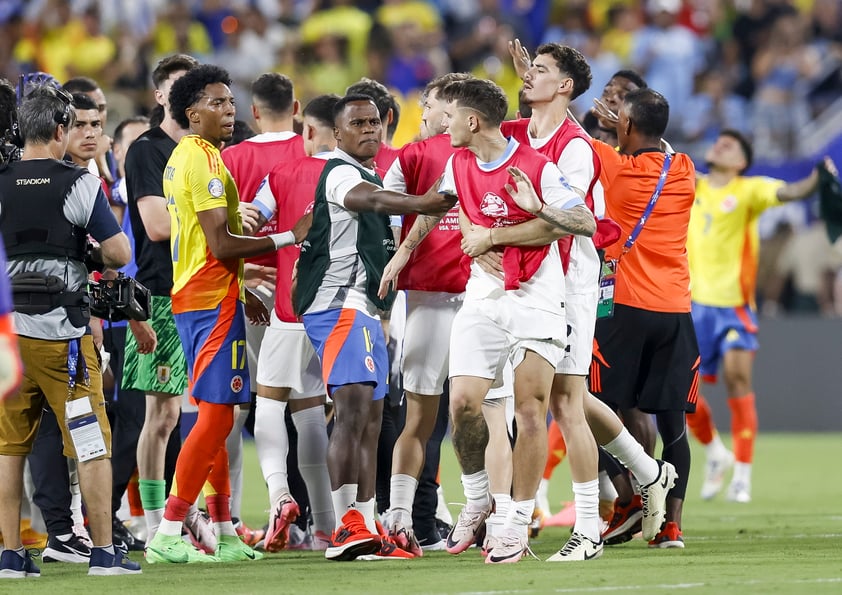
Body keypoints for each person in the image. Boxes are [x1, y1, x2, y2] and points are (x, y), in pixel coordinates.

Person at [144, 64, 311, 564]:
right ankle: (169, 532)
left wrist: (243, 290)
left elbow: (202, 243)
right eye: (217, 103)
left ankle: (224, 528)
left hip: (204, 295)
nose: (229, 110)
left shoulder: (185, 157)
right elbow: (220, 243)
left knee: (221, 414)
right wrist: (287, 237)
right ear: (191, 112)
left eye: (231, 102)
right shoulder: (207, 163)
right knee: (217, 417)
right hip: (209, 297)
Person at [435, 77, 595, 564]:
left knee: (530, 411)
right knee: (462, 403)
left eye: (450, 117)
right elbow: (456, 204)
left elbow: (584, 222)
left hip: (536, 299)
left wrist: (534, 211)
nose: (444, 125)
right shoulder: (456, 161)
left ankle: (515, 523)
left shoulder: (535, 167)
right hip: (483, 297)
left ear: (473, 120)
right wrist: (474, 237)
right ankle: (479, 494)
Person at [293, 93, 457, 561]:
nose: (369, 130)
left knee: (369, 420)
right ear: (337, 132)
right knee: (351, 413)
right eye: (357, 123)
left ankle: (363, 522)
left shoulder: (363, 169)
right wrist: (423, 201)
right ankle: (344, 525)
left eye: (374, 122)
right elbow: (372, 201)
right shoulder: (342, 172)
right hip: (339, 305)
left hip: (363, 308)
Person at [0, 85, 139, 577]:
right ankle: (102, 551)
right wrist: (86, 252)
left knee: (9, 446)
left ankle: (11, 554)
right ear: (61, 130)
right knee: (90, 442)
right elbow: (120, 253)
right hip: (64, 337)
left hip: (9, 342)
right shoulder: (78, 182)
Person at [685, 130, 837, 503]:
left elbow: (792, 192)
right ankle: (716, 454)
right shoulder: (692, 185)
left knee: (738, 378)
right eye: (719, 140)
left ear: (741, 161)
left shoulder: (749, 190)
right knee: (681, 394)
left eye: (731, 144)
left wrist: (819, 177)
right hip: (691, 306)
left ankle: (743, 476)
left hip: (734, 307)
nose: (720, 143)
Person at [587, 87, 697, 548]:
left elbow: (560, 131)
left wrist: (608, 130)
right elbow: (662, 147)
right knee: (674, 425)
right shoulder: (686, 169)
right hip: (676, 311)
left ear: (624, 126)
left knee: (589, 406)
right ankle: (671, 525)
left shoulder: (615, 167)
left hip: (625, 307)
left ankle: (631, 497)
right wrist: (627, 124)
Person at [121, 54, 211, 552]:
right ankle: (156, 522)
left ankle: (200, 515)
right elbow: (156, 227)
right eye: (180, 88)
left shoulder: (206, 148)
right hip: (160, 295)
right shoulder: (147, 151)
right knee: (162, 415)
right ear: (161, 96)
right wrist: (216, 224)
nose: (189, 97)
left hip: (209, 290)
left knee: (211, 410)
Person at [249, 94, 340, 552]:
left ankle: (279, 495)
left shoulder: (283, 175)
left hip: (289, 309)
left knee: (269, 401)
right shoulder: (358, 176)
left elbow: (250, 222)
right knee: (311, 413)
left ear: (308, 131)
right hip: (340, 312)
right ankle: (326, 525)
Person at [220, 72, 305, 545]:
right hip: (301, 293)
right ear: (297, 109)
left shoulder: (230, 157)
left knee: (238, 401)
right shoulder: (308, 154)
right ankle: (321, 522)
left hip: (247, 289)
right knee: (309, 404)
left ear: (254, 113)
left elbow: (219, 228)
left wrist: (244, 278)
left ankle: (230, 517)